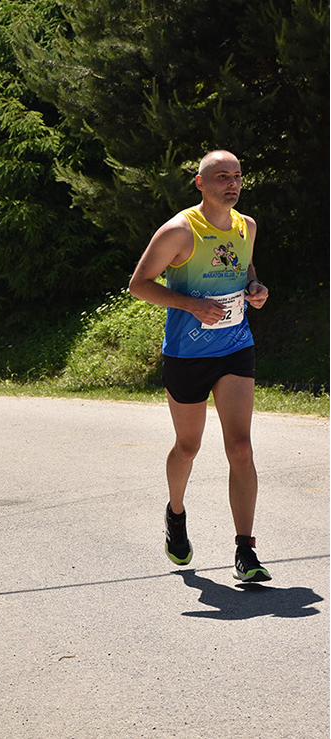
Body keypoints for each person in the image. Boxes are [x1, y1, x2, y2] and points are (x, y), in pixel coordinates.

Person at [128, 149, 271, 583]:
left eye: (237, 176)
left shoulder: (246, 226)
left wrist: (255, 288)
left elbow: (246, 269)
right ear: (200, 183)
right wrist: (191, 305)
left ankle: (245, 550)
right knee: (188, 447)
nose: (232, 183)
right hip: (187, 354)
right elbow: (139, 285)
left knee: (240, 447)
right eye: (222, 176)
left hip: (235, 347)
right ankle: (175, 514)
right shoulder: (179, 230)